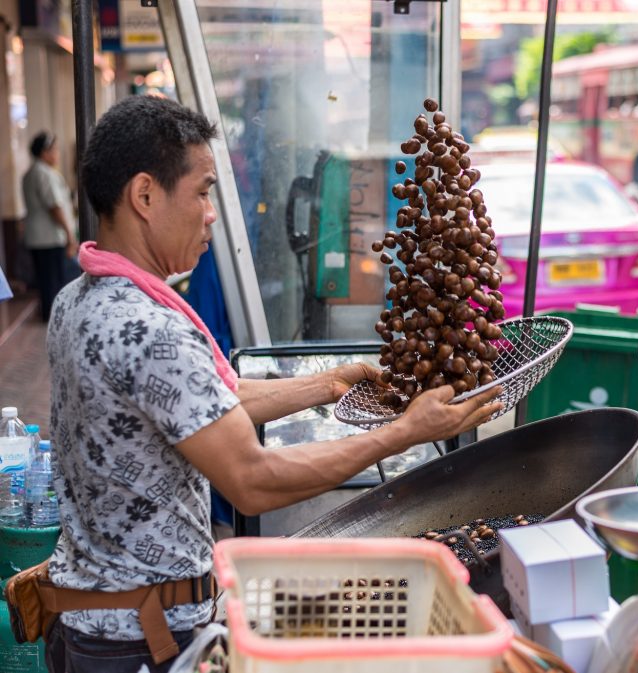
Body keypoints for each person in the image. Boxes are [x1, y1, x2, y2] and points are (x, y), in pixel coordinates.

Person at [42, 95, 502, 673]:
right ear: (144, 195)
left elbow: (201, 405)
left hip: (91, 623)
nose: (212, 213)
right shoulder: (149, 330)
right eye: (203, 191)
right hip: (140, 641)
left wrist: (330, 385)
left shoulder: (79, 297)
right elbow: (253, 482)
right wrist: (405, 433)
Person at [22, 131, 78, 320]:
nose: (57, 154)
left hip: (38, 237)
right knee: (53, 281)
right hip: (49, 238)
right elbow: (54, 206)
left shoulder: (31, 172)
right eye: (54, 150)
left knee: (46, 279)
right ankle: (54, 318)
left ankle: (49, 315)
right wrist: (70, 235)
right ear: (44, 152)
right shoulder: (43, 173)